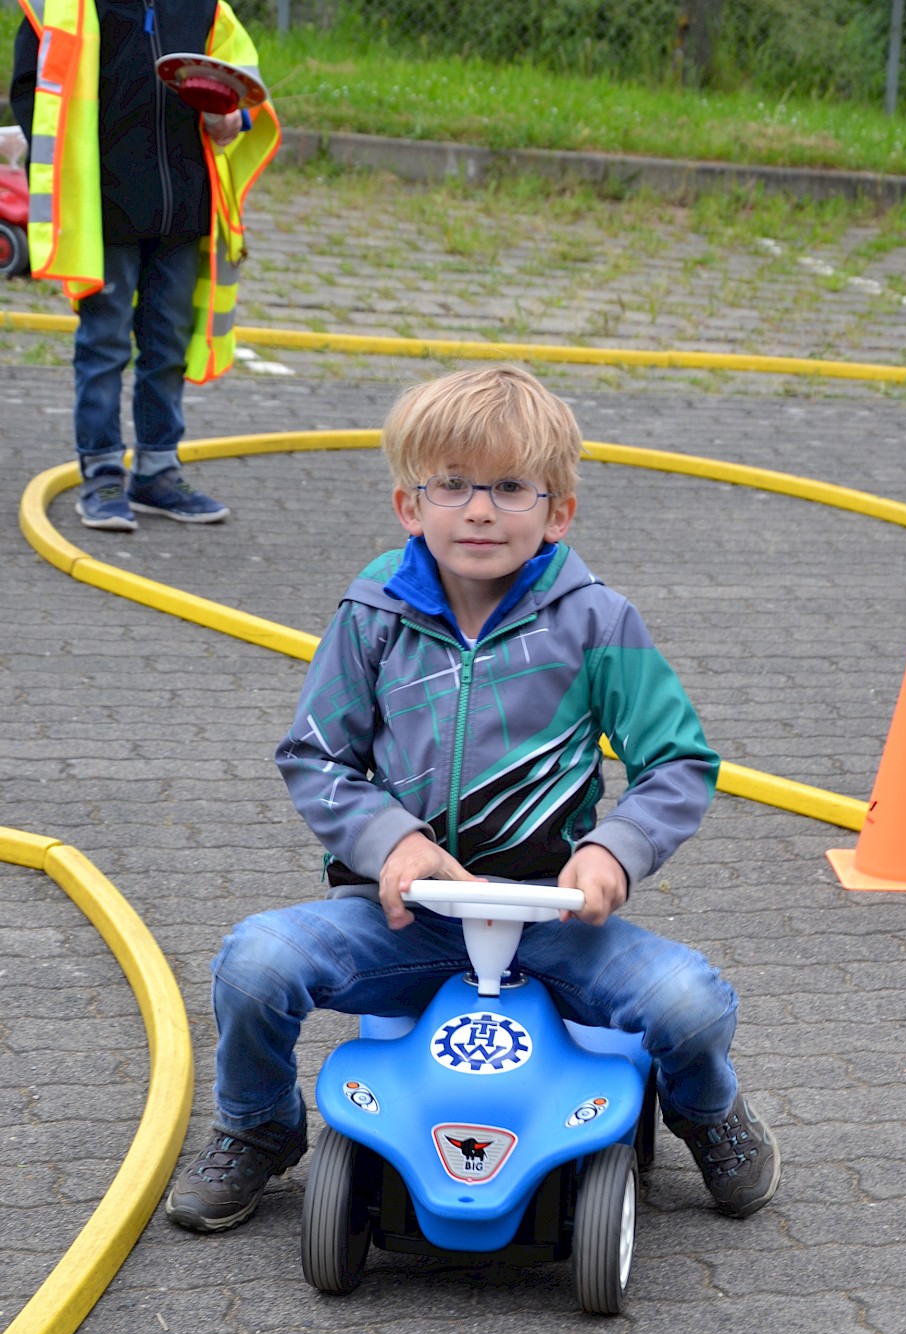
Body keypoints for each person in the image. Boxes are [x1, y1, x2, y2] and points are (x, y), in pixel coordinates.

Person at [166, 365, 782, 1233]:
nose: (480, 510)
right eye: (451, 486)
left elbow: (679, 761)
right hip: (404, 917)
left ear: (556, 511)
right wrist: (392, 842)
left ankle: (707, 1112)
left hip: (555, 920)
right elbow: (314, 755)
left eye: (507, 488)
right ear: (409, 506)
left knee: (688, 1003)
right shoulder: (371, 613)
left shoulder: (598, 622)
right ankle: (257, 1128)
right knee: (254, 964)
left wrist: (613, 849)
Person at [9, 0, 278, 531]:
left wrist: (233, 117)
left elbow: (243, 83)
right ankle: (103, 473)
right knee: (104, 343)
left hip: (183, 206)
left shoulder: (206, 9)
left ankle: (157, 471)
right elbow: (30, 93)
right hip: (102, 207)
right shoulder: (61, 10)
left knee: (168, 344)